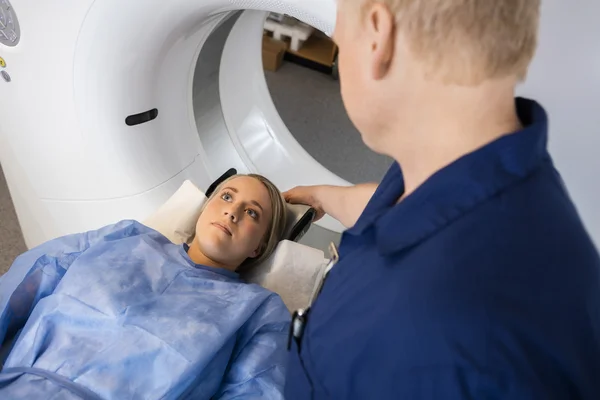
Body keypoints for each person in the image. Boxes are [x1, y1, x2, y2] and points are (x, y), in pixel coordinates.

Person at [283, 0, 600, 399]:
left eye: (341, 30)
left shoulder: (446, 338)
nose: (336, 39)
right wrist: (324, 197)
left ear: (378, 37)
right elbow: (400, 214)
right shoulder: (477, 173)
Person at [0, 174, 290, 400]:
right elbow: (30, 278)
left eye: (252, 212)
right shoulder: (125, 236)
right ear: (205, 208)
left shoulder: (260, 311)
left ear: (259, 247)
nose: (232, 212)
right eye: (226, 197)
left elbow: (257, 390)